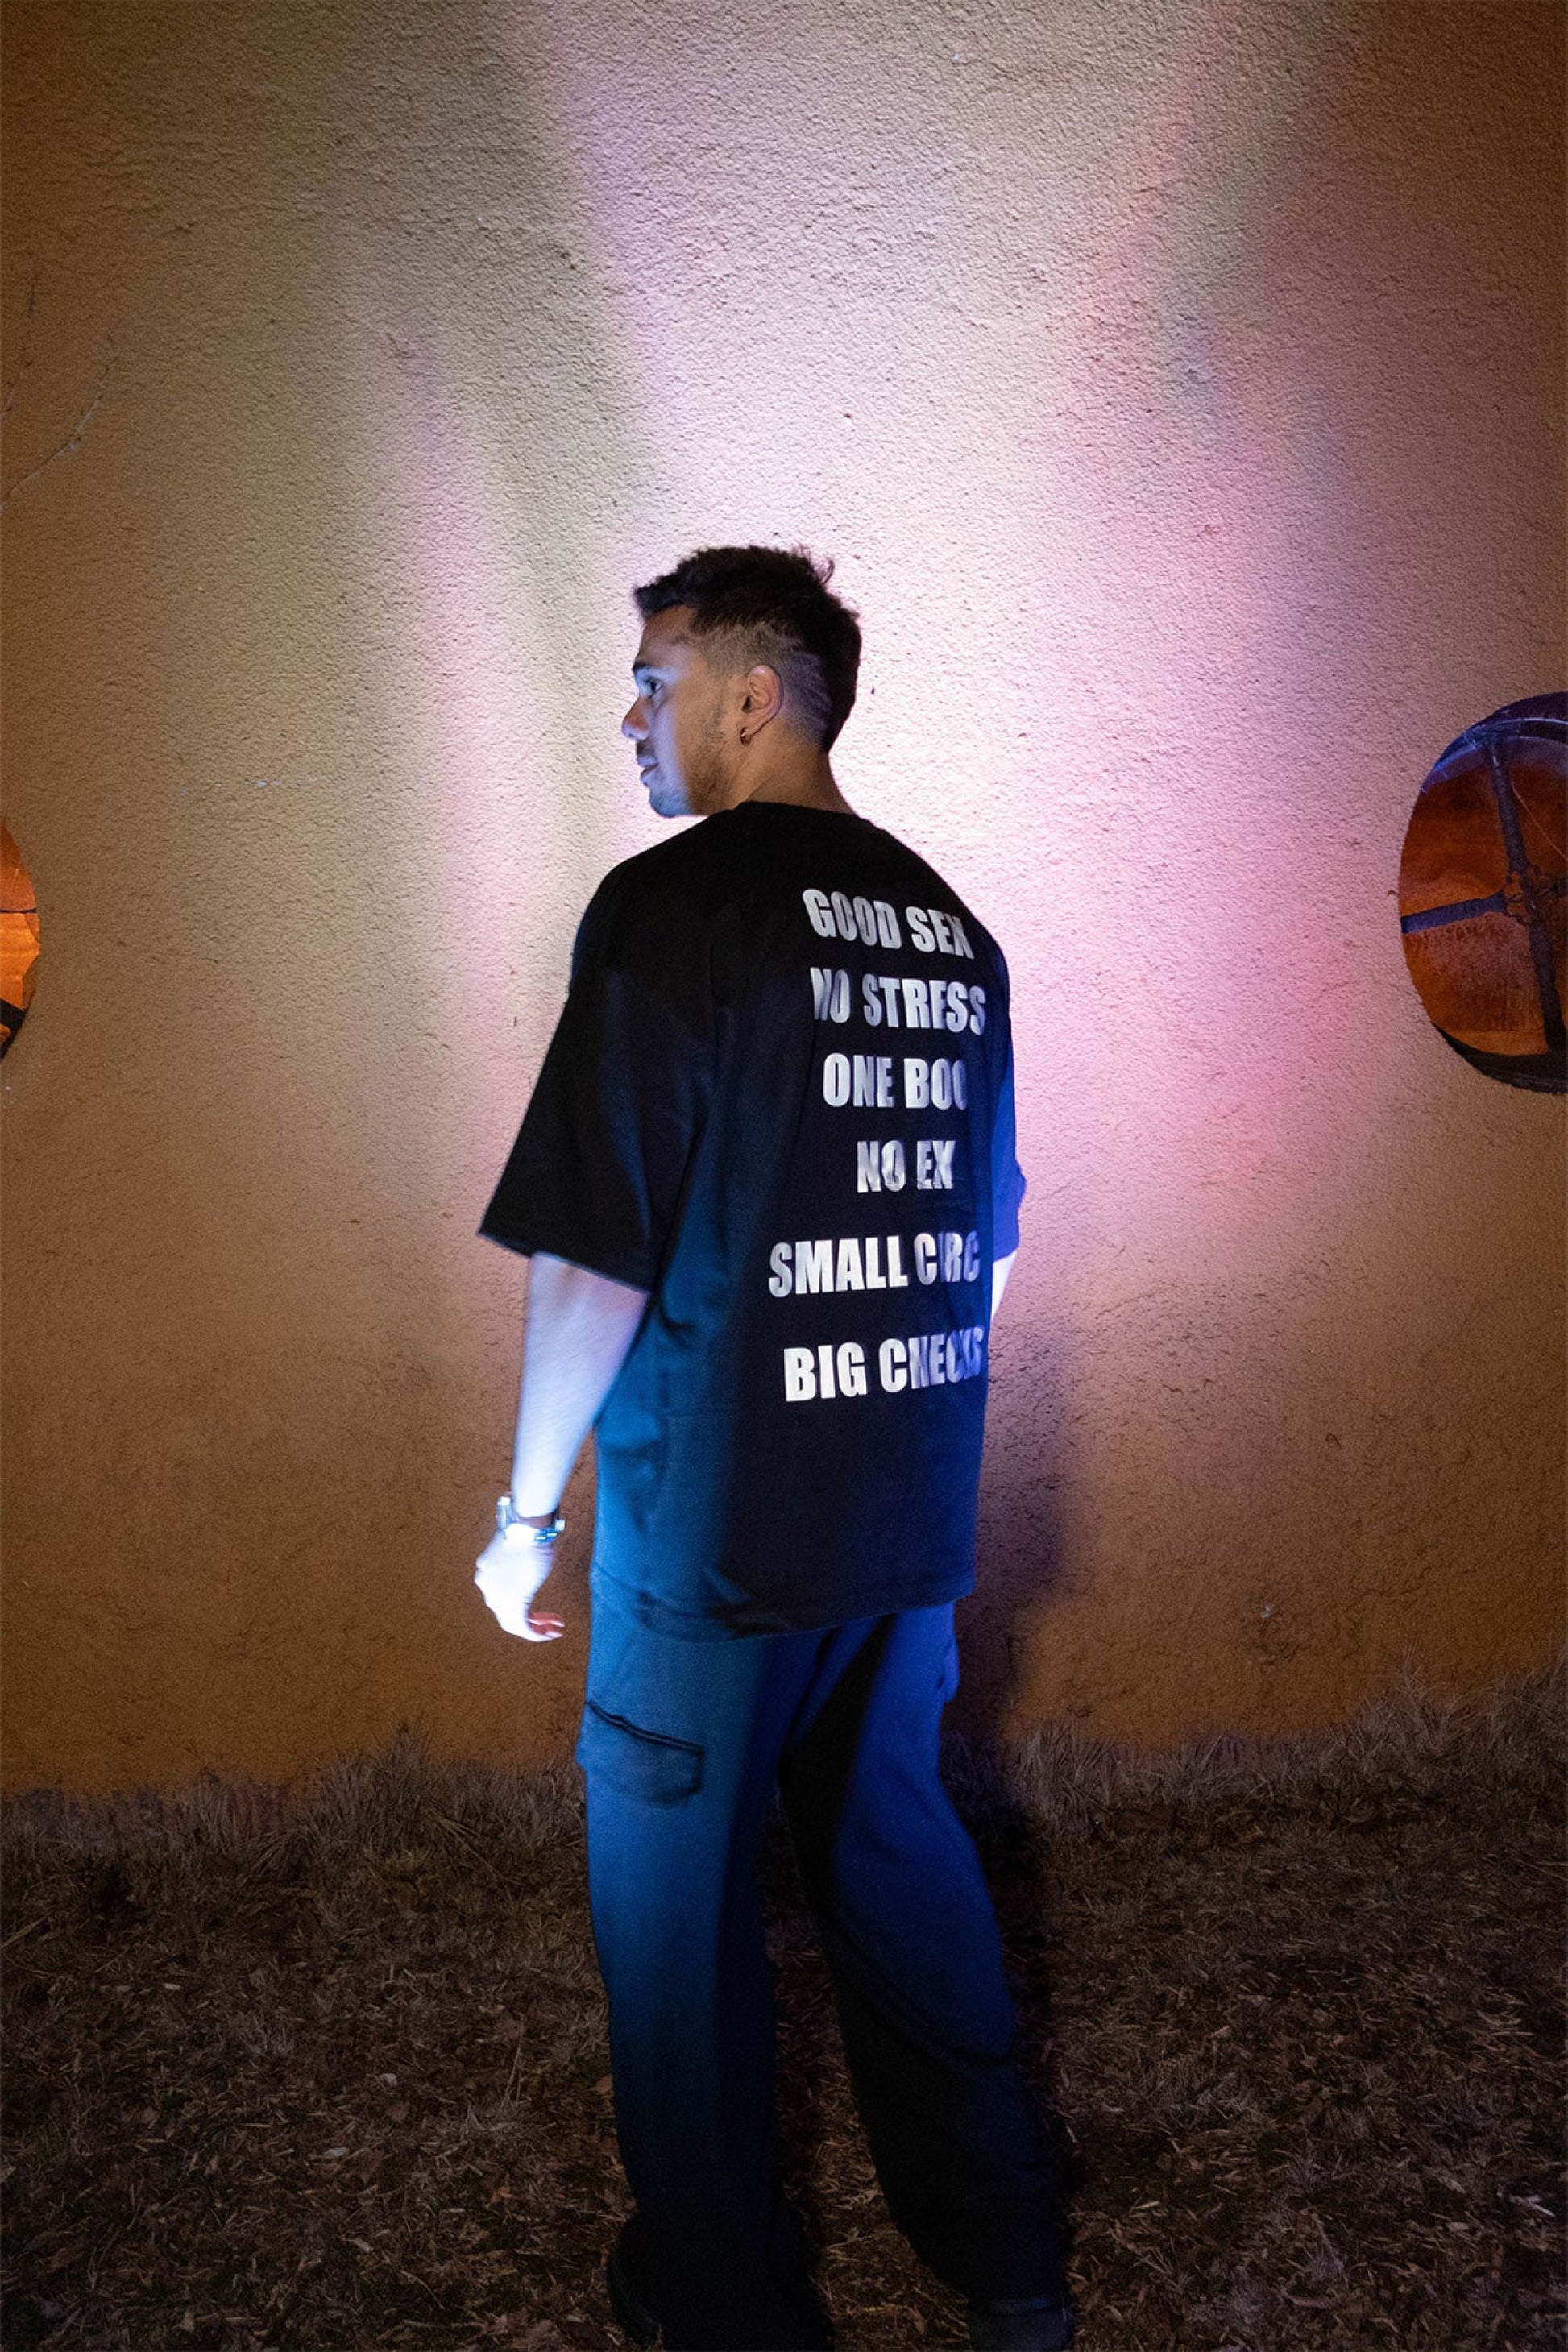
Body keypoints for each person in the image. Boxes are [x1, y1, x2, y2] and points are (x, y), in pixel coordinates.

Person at [475, 546, 1075, 2352]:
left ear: (753, 693)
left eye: (654, 678)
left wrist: (525, 1511)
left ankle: (724, 2303)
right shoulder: (947, 928)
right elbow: (990, 1235)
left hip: (716, 1536)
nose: (631, 715)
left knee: (675, 1941)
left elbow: (594, 1250)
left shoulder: (670, 910)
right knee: (895, 1858)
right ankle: (1008, 2257)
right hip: (900, 1520)